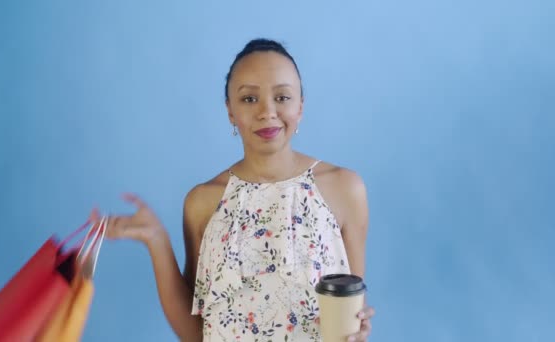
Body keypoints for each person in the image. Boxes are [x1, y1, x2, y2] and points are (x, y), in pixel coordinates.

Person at [96, 38, 375, 341]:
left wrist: (357, 332)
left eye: (282, 97)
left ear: (301, 106)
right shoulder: (203, 202)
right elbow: (195, 334)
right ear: (230, 111)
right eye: (249, 99)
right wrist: (156, 239)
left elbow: (351, 317)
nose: (267, 112)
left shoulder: (345, 189)